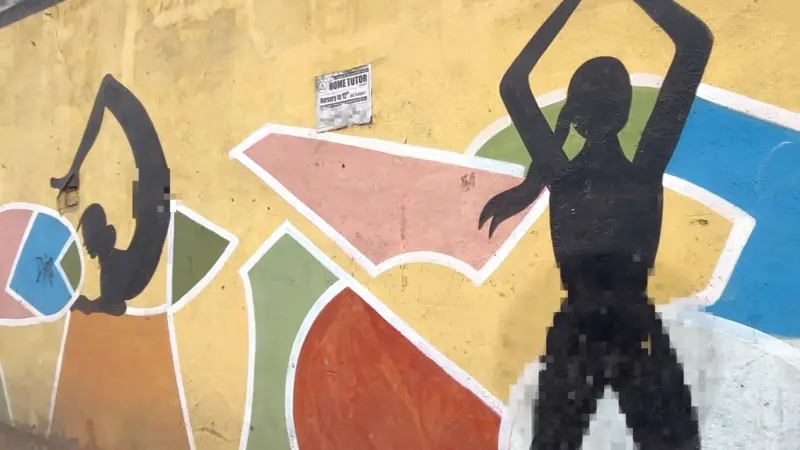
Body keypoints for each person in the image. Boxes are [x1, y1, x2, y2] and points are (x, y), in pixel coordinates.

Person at [478, 0, 714, 448]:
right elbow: (694, 43)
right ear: (626, 110)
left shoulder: (564, 177)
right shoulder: (642, 169)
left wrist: (568, 7)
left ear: (572, 115)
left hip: (581, 331)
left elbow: (513, 86)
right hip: (631, 329)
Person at [51, 74, 171, 316]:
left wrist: (86, 305)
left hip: (155, 200)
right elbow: (115, 306)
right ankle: (74, 171)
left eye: (89, 239)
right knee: (108, 91)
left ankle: (74, 171)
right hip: (155, 201)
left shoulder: (112, 269)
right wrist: (88, 305)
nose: (88, 245)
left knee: (108, 90)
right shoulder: (114, 269)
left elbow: (114, 306)